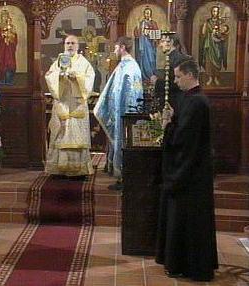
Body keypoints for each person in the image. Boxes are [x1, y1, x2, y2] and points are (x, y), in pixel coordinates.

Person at [155, 58, 218, 282]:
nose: (176, 80)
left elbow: (184, 140)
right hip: (194, 171)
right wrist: (174, 120)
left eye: (178, 76)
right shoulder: (192, 100)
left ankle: (192, 266)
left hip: (190, 174)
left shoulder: (196, 102)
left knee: (190, 223)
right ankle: (184, 264)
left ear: (190, 75)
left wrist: (168, 126)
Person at [94, 36, 143, 186]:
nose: (114, 50)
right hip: (119, 111)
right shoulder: (123, 65)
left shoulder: (131, 67)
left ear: (122, 47)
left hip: (126, 114)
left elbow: (133, 92)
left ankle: (125, 176)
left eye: (116, 47)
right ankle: (121, 175)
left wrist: (128, 113)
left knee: (124, 142)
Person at [45, 35, 95, 176]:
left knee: (76, 135)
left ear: (78, 46)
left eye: (73, 43)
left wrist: (77, 77)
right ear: (64, 45)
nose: (70, 46)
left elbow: (90, 80)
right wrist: (59, 76)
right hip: (62, 104)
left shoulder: (84, 63)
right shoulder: (58, 62)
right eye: (67, 43)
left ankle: (78, 170)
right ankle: (58, 169)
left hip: (77, 105)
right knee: (60, 134)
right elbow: (49, 76)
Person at [151, 33, 188, 111]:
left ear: (170, 42)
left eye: (162, 41)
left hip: (175, 104)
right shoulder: (171, 57)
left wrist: (156, 82)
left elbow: (176, 84)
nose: (160, 45)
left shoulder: (178, 59)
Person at [199, 5, 229, 86]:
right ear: (211, 12)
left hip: (217, 44)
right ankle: (210, 78)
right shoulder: (208, 21)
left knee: (218, 59)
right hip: (209, 44)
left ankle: (215, 78)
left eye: (217, 11)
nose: (215, 13)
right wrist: (205, 25)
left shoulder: (221, 22)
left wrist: (220, 33)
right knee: (209, 61)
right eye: (214, 11)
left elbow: (225, 31)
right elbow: (203, 32)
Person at [133, 7, 159, 82]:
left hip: (150, 44)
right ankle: (144, 76)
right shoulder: (141, 23)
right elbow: (137, 33)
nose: (147, 14)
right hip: (143, 45)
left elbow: (157, 33)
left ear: (151, 14)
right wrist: (138, 28)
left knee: (151, 59)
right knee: (143, 59)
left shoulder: (153, 23)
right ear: (144, 14)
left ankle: (151, 75)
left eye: (148, 13)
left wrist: (151, 35)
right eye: (146, 13)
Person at [0, 9, 18, 85]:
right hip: (2, 48)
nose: (4, 18)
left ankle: (9, 80)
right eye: (3, 16)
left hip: (10, 49)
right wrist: (3, 36)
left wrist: (11, 37)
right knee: (1, 62)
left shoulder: (12, 27)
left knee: (10, 63)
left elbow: (15, 38)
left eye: (6, 16)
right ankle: (1, 79)